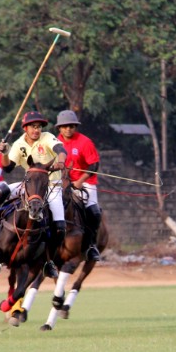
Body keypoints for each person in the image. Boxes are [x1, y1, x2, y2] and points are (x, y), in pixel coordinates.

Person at [0, 111, 67, 278]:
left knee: (60, 227)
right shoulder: (18, 144)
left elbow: (61, 149)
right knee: (0, 192)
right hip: (30, 186)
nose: (36, 130)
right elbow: (8, 167)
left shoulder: (47, 137)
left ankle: (49, 261)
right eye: (33, 127)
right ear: (25, 128)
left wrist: (61, 161)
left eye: (38, 127)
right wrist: (3, 153)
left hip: (52, 186)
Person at [55, 109, 102, 262]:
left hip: (84, 183)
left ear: (76, 127)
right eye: (65, 126)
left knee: (94, 212)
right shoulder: (54, 143)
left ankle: (91, 245)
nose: (68, 129)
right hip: (60, 183)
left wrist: (79, 181)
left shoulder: (85, 142)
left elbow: (94, 165)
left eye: (72, 126)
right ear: (59, 128)